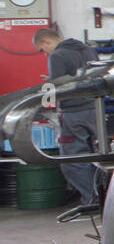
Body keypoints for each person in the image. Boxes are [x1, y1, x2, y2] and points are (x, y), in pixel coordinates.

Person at [33, 28, 101, 206]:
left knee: (71, 162)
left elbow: (55, 89)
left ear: (47, 42)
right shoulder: (87, 50)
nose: (44, 53)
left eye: (42, 49)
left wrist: (45, 98)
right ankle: (106, 199)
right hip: (96, 110)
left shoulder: (57, 56)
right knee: (99, 157)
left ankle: (93, 200)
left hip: (73, 113)